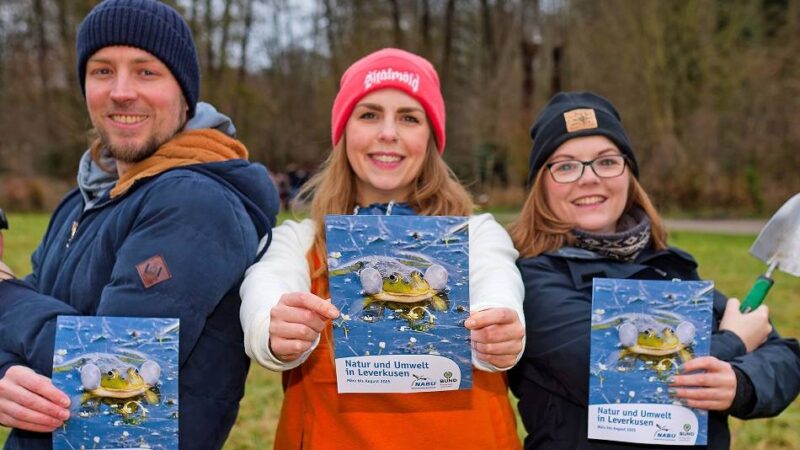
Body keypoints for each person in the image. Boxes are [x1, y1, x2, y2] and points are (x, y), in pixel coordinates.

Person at [0, 0, 278, 448]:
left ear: (184, 93)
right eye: (102, 71)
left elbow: (116, 363)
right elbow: (33, 306)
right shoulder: (85, 198)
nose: (121, 91)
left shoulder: (195, 200)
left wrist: (3, 291)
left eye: (146, 71)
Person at [240, 48, 525, 449]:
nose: (388, 133)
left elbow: (499, 284)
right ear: (343, 133)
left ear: (430, 137)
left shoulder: (476, 233)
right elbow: (265, 288)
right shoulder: (300, 240)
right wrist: (272, 328)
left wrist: (500, 332)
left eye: (409, 117)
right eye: (369, 114)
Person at [507, 91, 800, 449]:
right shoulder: (530, 280)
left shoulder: (669, 267)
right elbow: (612, 374)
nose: (589, 178)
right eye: (566, 166)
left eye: (606, 161)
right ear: (541, 186)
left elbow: (784, 357)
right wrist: (733, 343)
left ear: (629, 174)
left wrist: (739, 382)